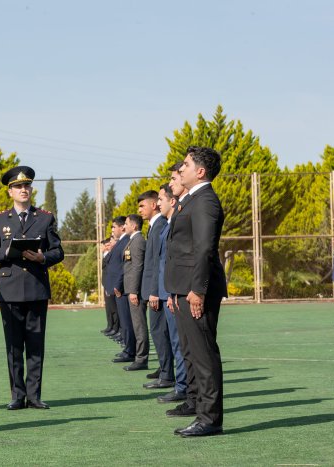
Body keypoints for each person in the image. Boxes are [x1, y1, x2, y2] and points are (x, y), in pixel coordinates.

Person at [0, 166, 64, 410]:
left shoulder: (45, 218)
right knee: (14, 345)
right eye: (18, 187)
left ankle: (34, 395)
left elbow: (57, 250)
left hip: (37, 287)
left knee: (36, 343)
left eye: (27, 186)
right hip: (11, 289)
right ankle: (17, 395)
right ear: (10, 192)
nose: (23, 190)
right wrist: (7, 251)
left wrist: (43, 258)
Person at [165, 146, 227, 437]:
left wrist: (197, 291)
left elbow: (204, 249)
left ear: (200, 171)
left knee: (203, 354)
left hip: (195, 289)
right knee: (192, 352)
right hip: (182, 288)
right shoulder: (191, 200)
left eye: (186, 165)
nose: (181, 169)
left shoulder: (205, 201)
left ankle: (210, 419)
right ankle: (200, 410)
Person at [155, 184, 188, 404]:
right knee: (176, 342)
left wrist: (170, 291)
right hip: (166, 291)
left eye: (160, 199)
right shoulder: (166, 225)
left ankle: (183, 387)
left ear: (172, 201)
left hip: (172, 292)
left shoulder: (175, 224)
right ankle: (182, 385)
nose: (158, 204)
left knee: (179, 342)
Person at [138, 190, 173, 388]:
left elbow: (157, 263)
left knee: (160, 332)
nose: (140, 210)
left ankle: (167, 375)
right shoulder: (154, 226)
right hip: (154, 290)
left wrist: (153, 291)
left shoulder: (160, 224)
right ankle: (164, 369)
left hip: (158, 291)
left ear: (153, 205)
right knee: (159, 332)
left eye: (143, 205)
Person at [104, 217, 136, 361]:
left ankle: (130, 351)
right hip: (118, 288)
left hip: (122, 289)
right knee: (124, 320)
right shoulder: (121, 242)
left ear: (122, 227)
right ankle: (127, 348)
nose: (112, 230)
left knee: (126, 321)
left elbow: (124, 266)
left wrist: (118, 285)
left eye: (113, 227)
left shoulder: (125, 242)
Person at [121, 214, 149, 371]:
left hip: (135, 291)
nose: (124, 226)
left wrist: (133, 290)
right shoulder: (133, 240)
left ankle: (141, 359)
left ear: (135, 226)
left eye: (126, 224)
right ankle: (140, 357)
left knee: (139, 325)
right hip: (132, 289)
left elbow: (137, 266)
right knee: (137, 325)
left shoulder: (138, 241)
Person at [101, 237, 120, 338]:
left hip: (111, 285)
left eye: (108, 244)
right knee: (109, 308)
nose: (105, 247)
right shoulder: (106, 255)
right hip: (107, 284)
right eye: (105, 245)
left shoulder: (111, 255)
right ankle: (111, 326)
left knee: (114, 309)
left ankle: (116, 328)